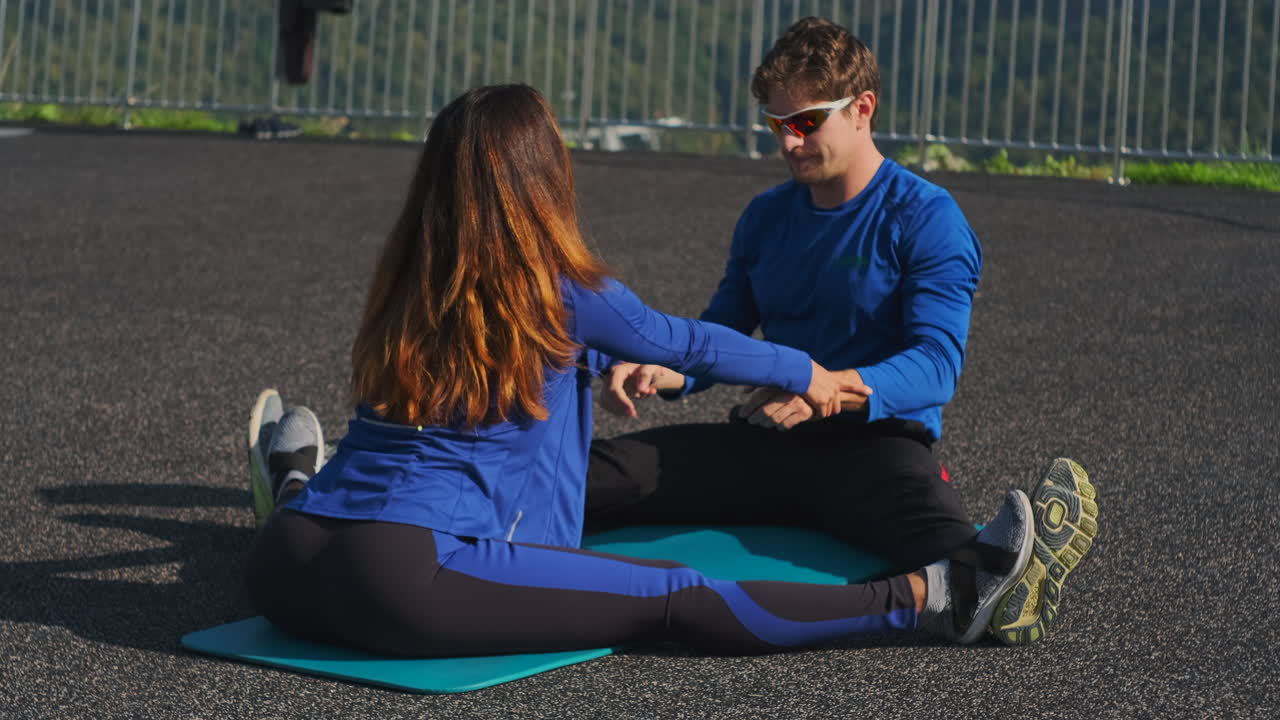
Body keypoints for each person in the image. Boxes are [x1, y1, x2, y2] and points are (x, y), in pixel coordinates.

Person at [242, 83, 1048, 659]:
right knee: (672, 594)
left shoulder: (408, 283)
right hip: (402, 576)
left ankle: (296, 480)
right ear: (540, 179)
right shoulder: (560, 291)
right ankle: (934, 600)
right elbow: (692, 344)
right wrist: (810, 372)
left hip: (287, 564)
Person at [583, 17, 1098, 647]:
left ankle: (1004, 578)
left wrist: (827, 388)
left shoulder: (926, 218)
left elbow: (935, 365)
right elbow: (721, 329)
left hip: (872, 449)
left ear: (863, 109)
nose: (789, 142)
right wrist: (664, 370)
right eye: (777, 124)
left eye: (806, 122)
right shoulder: (767, 217)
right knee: (597, 475)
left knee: (963, 560)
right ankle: (465, 530)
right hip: (763, 441)